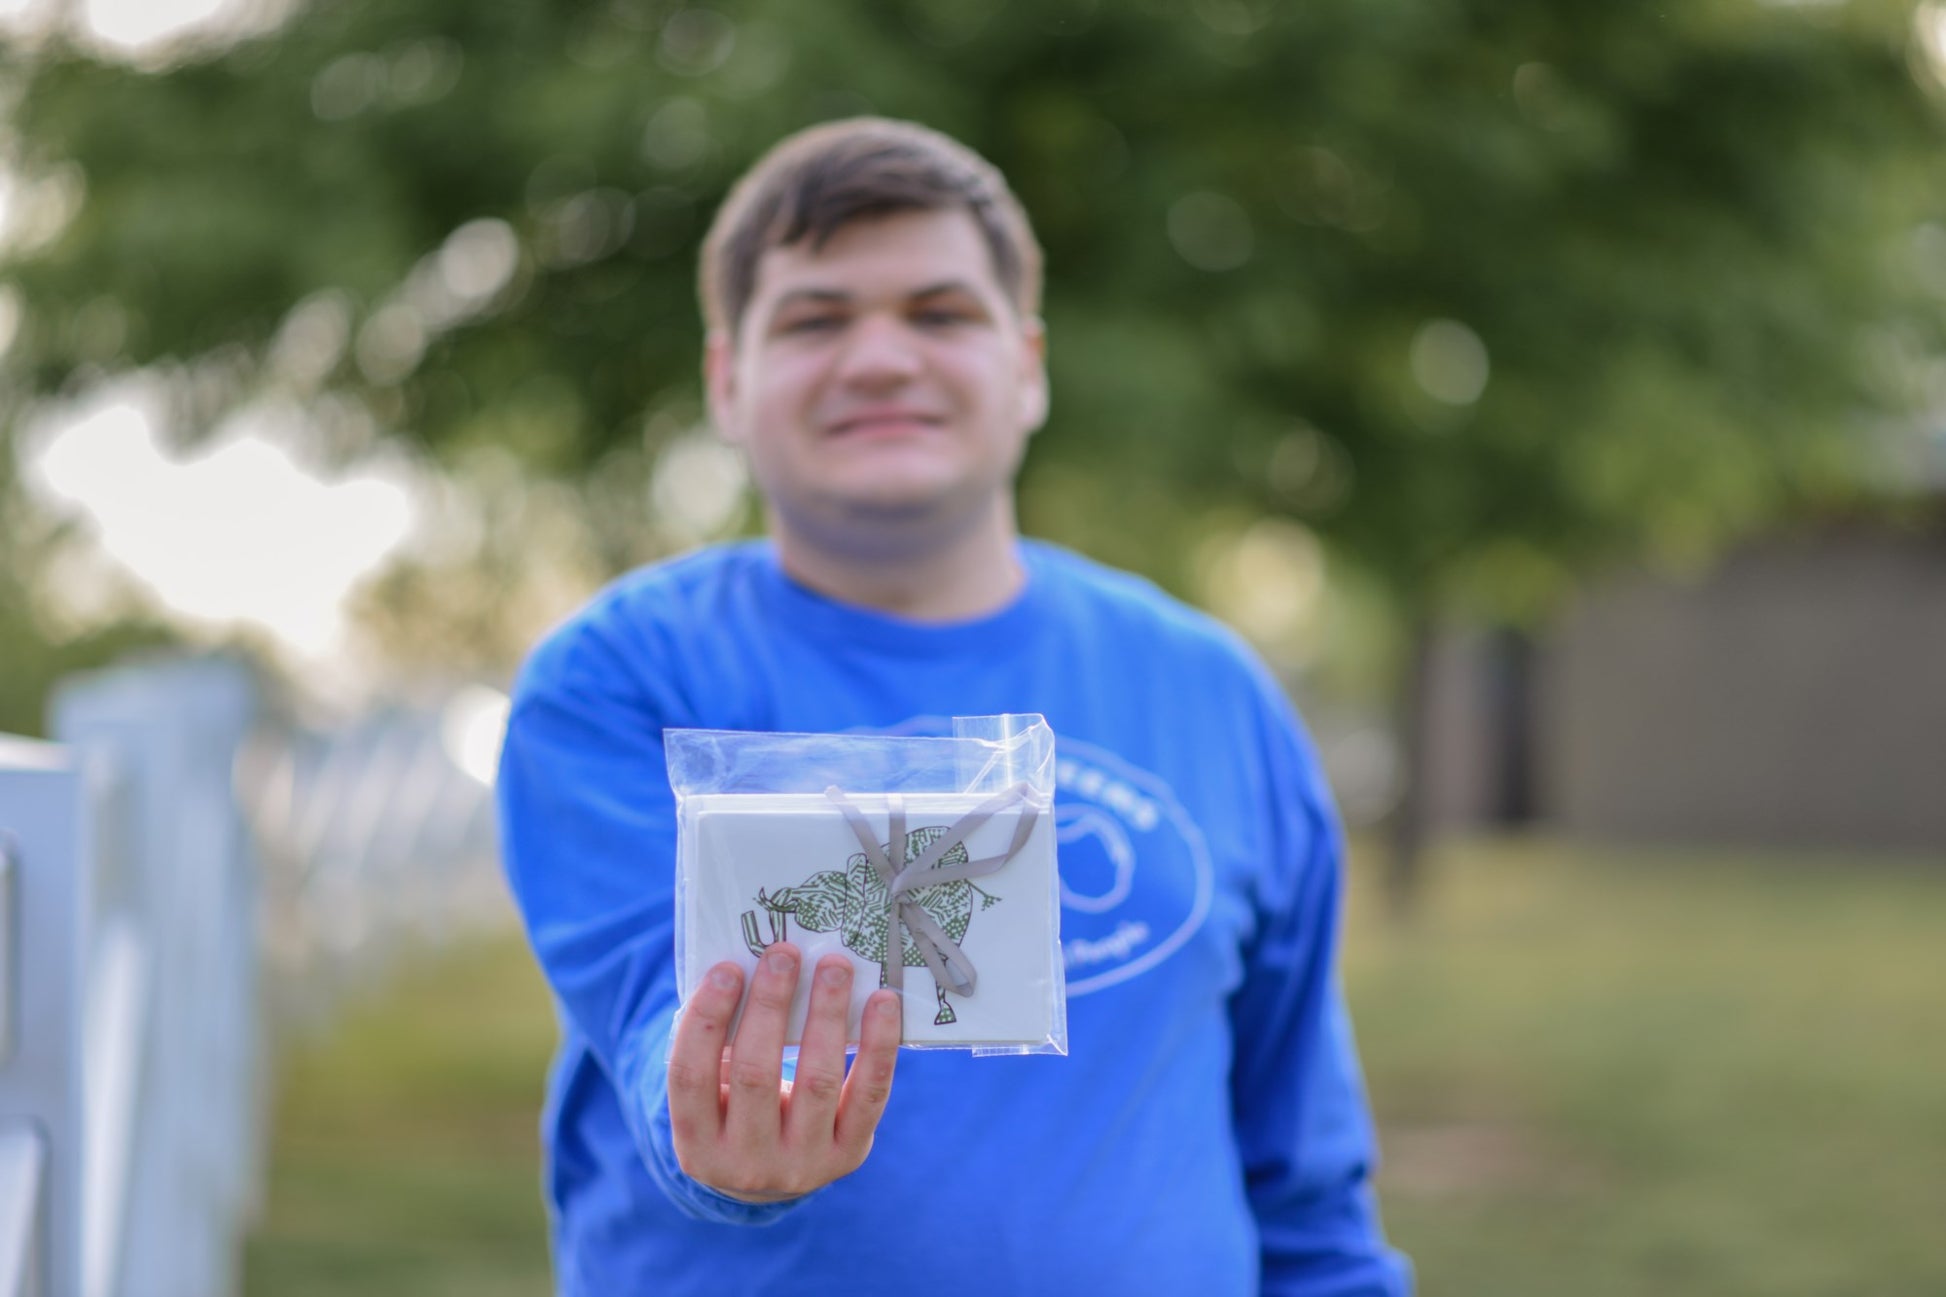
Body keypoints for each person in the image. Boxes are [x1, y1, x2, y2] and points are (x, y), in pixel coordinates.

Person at [497, 116, 1413, 1296]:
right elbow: (647, 1023)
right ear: (727, 382)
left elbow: (1303, 1173)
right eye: (816, 318)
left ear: (1026, 365)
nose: (880, 359)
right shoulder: (612, 678)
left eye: (940, 313)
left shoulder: (1211, 688)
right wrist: (718, 1130)